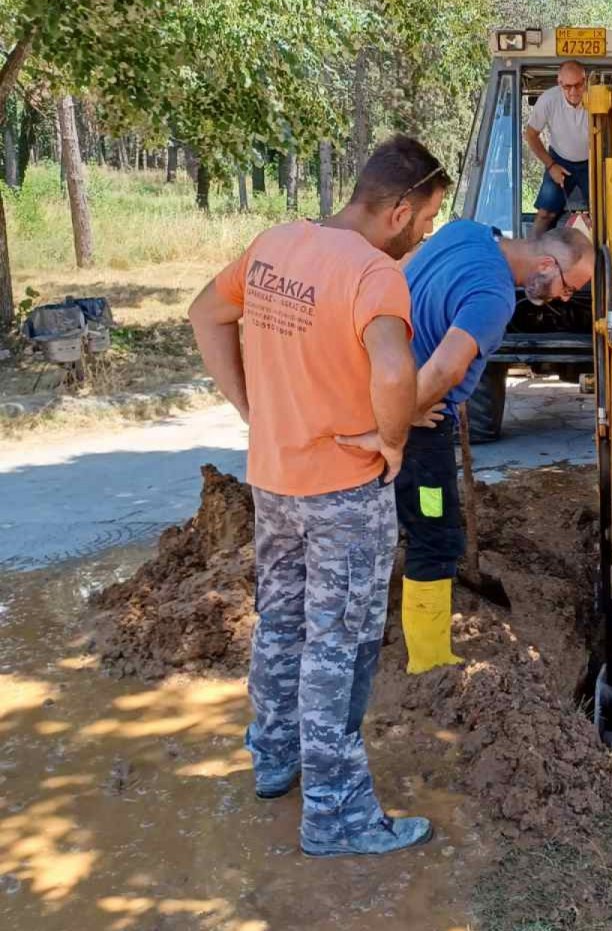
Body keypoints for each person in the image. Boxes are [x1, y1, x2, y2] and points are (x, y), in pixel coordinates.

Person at [188, 134, 452, 859]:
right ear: (398, 209)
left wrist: (254, 411)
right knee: (340, 647)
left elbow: (205, 313)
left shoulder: (275, 244)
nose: (426, 232)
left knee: (281, 625)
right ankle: (336, 814)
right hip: (343, 493)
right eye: (427, 218)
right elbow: (395, 372)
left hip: (275, 480)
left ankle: (274, 757)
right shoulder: (373, 275)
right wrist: (392, 441)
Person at [338, 221, 594, 672]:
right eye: (570, 286)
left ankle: (351, 636)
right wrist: (398, 421)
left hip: (371, 386)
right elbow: (444, 372)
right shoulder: (493, 297)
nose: (566, 297)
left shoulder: (465, 231)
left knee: (372, 522)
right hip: (416, 428)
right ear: (547, 264)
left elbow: (400, 278)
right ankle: (429, 663)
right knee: (435, 535)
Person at [524, 60, 589, 237]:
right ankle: (531, 254)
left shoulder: (598, 98)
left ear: (585, 80)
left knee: (605, 214)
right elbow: (530, 135)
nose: (574, 92)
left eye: (578, 85)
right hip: (559, 160)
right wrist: (551, 166)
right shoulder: (548, 100)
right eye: (568, 86)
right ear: (559, 83)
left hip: (592, 162)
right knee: (546, 214)